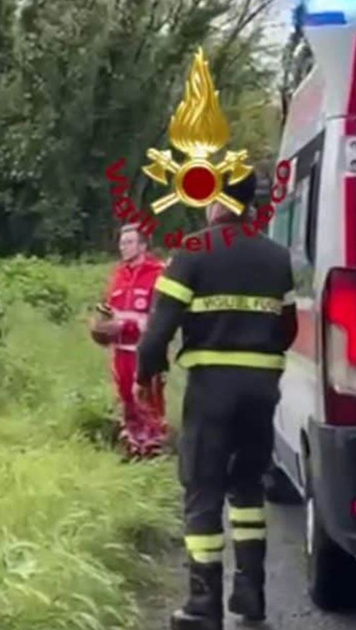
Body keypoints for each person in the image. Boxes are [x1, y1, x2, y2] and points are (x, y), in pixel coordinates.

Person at [135, 173, 297, 630]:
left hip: (212, 392)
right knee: (247, 488)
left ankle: (203, 605)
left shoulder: (194, 250)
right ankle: (251, 596)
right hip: (262, 390)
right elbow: (287, 329)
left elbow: (158, 330)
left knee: (203, 489)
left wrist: (146, 375)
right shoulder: (276, 256)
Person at [89, 223, 169, 459]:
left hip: (145, 351)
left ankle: (154, 448)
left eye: (129, 242)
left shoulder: (158, 274)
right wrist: (100, 326)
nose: (123, 247)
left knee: (148, 400)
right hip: (120, 351)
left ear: (143, 245)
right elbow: (109, 309)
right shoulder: (118, 275)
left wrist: (126, 325)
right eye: (122, 243)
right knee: (126, 400)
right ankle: (133, 447)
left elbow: (160, 318)